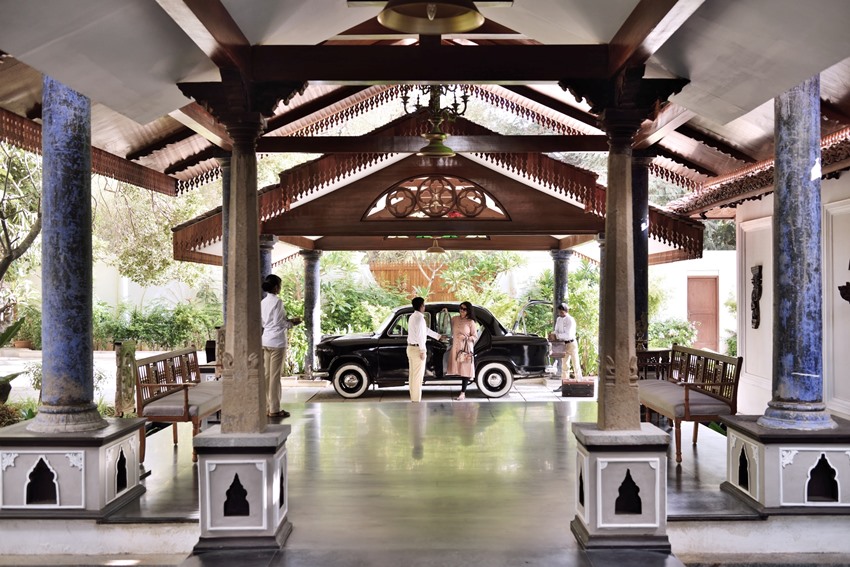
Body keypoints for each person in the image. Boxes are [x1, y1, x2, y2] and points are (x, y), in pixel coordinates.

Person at [261, 274, 301, 418]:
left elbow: (264, 322)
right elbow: (280, 322)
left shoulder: (263, 302)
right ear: (276, 287)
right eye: (280, 285)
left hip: (265, 341)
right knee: (275, 377)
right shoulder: (277, 302)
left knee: (267, 375)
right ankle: (275, 409)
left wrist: (286, 321)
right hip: (277, 342)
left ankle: (267, 407)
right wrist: (292, 323)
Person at [406, 297, 444, 403]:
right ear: (422, 306)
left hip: (410, 348)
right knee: (417, 377)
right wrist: (422, 351)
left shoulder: (413, 317)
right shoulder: (420, 319)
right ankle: (416, 401)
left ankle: (413, 398)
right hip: (417, 349)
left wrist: (438, 336)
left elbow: (425, 330)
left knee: (413, 375)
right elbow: (420, 336)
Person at [446, 301, 477, 401]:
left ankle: (463, 393)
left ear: (468, 311)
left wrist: (465, 338)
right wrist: (445, 313)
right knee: (457, 368)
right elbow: (446, 324)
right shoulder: (455, 319)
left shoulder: (471, 322)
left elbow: (475, 337)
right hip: (456, 347)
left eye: (464, 309)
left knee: (465, 370)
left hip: (465, 348)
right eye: (461, 308)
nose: (462, 311)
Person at [550, 302, 582, 381]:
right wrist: (554, 334)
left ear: (566, 311)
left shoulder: (570, 320)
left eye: (562, 311)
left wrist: (557, 335)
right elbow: (556, 330)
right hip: (563, 344)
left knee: (575, 363)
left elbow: (568, 334)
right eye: (559, 311)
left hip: (571, 343)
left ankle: (579, 380)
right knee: (564, 364)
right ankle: (564, 382)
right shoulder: (558, 319)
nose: (560, 313)